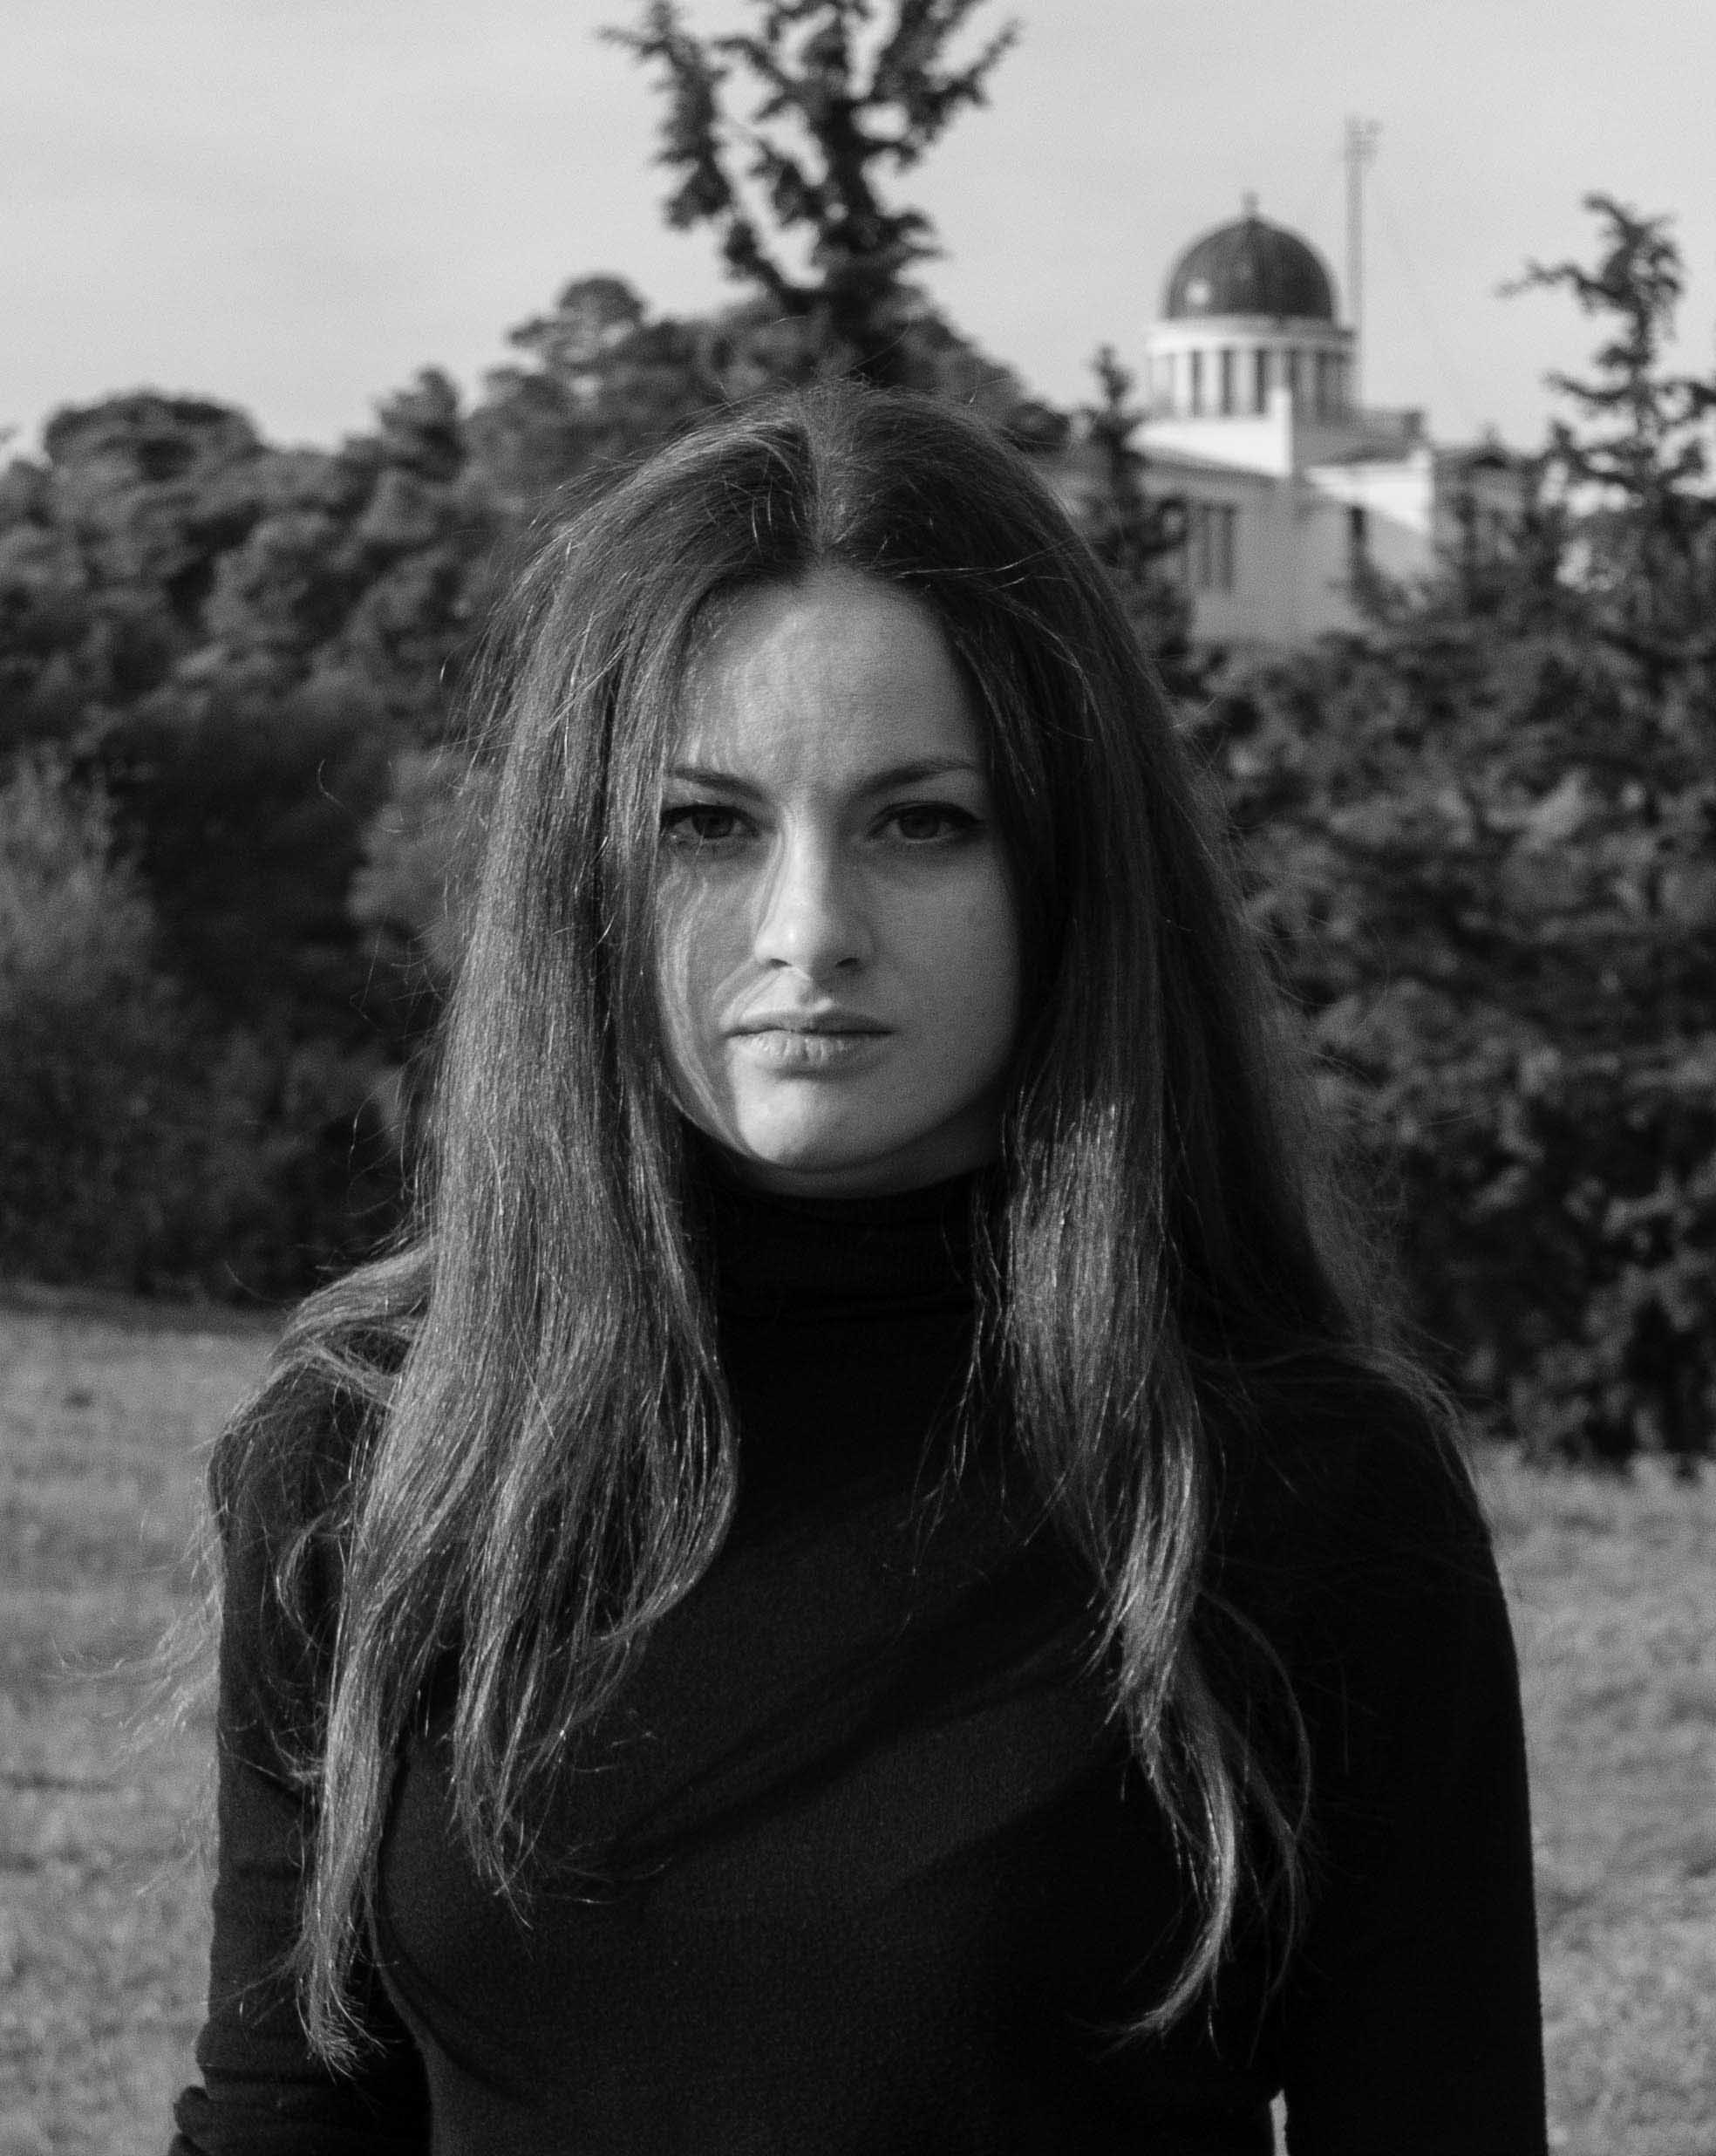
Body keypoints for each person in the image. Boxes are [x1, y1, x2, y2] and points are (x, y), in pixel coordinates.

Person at [171, 383, 1547, 2154]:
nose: (808, 932)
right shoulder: (375, 1450)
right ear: (583, 879)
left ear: (1067, 868)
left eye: (921, 823)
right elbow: (285, 2110)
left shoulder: (1301, 1485)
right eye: (707, 825)